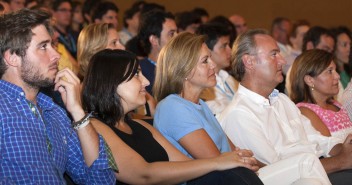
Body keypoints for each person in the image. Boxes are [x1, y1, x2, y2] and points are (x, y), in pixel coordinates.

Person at [153, 32, 329, 185]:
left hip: (235, 176)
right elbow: (216, 162)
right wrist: (246, 161)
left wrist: (254, 163)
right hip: (219, 180)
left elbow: (234, 152)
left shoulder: (201, 106)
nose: (213, 65)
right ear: (183, 68)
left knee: (310, 181)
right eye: (205, 61)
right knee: (306, 162)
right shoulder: (173, 106)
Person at [82, 48, 262, 185]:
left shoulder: (142, 126)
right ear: (111, 82)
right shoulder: (95, 127)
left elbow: (185, 164)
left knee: (232, 172)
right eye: (136, 75)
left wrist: (230, 161)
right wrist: (218, 162)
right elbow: (143, 173)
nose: (146, 81)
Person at [217, 29, 352, 185]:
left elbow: (317, 139)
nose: (282, 60)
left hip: (318, 169)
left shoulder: (281, 100)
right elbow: (276, 170)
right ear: (249, 62)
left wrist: (343, 148)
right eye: (274, 54)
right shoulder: (240, 114)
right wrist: (340, 161)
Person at [0, 9, 115, 184]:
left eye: (53, 45)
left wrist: (78, 112)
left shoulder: (54, 112)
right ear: (12, 57)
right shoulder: (2, 110)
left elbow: (101, 180)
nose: (56, 55)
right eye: (43, 46)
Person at [289, 49, 352, 140]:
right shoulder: (304, 112)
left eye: (335, 70)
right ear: (310, 80)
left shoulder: (336, 105)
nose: (337, 76)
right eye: (330, 71)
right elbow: (331, 149)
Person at [197, 23, 238, 115]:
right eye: (224, 46)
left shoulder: (229, 78)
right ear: (207, 50)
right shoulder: (202, 85)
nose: (230, 51)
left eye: (229, 45)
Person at [138, 9, 177, 95]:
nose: (177, 38)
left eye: (177, 33)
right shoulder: (141, 72)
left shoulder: (181, 67)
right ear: (154, 40)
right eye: (171, 34)